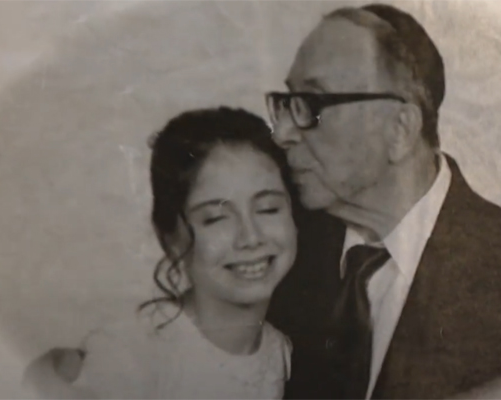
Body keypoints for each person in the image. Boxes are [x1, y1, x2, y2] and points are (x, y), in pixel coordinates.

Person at [264, 3, 501, 399]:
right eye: (284, 103)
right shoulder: (284, 248)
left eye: (310, 106)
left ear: (400, 130)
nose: (281, 134)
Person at [23, 107, 299, 399]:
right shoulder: (131, 355)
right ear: (170, 237)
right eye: (216, 218)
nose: (251, 237)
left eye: (268, 209)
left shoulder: (282, 351)